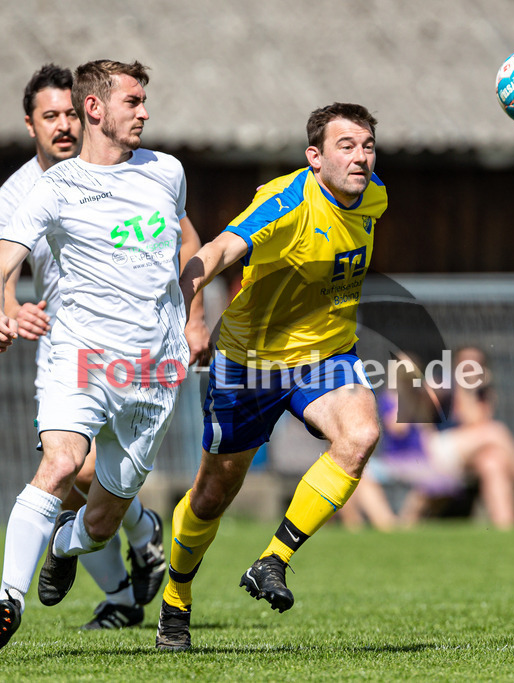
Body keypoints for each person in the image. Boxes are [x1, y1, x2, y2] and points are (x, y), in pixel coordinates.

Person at [0, 59, 207, 651]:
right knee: (60, 465)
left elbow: (187, 246)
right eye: (134, 101)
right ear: (97, 110)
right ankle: (8, 600)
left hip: (153, 370)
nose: (146, 112)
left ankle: (64, 545)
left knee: (101, 522)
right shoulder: (48, 189)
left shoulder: (168, 172)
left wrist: (194, 315)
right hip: (77, 357)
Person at [155, 103, 388, 652]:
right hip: (249, 361)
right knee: (212, 494)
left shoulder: (374, 194)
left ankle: (272, 561)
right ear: (315, 156)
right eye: (346, 146)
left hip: (327, 355)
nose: (360, 157)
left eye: (367, 145)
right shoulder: (285, 201)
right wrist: (190, 317)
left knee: (360, 435)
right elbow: (216, 252)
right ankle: (175, 601)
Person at [422, 346, 514, 529]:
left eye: (475, 362)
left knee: (494, 461)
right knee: (496, 431)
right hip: (436, 451)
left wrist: (473, 390)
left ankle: (505, 532)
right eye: (465, 362)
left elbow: (476, 422)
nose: (470, 367)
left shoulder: (483, 393)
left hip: (467, 455)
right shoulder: (441, 383)